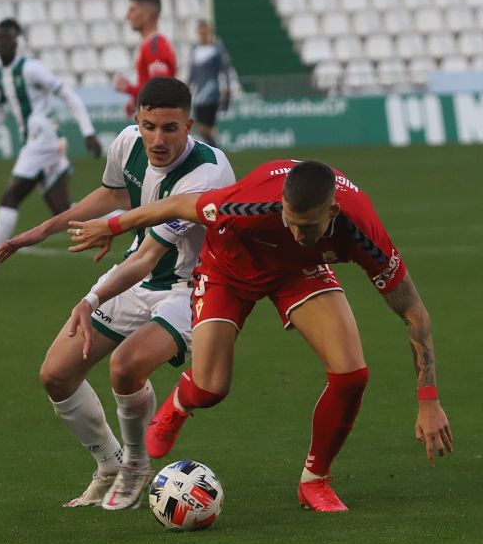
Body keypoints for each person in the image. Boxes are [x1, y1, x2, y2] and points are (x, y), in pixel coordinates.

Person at [67, 159, 453, 512]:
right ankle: (182, 401)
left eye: (308, 227)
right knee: (211, 389)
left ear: (332, 212)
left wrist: (428, 401)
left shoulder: (362, 229)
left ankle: (314, 480)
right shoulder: (247, 204)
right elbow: (177, 205)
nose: (297, 232)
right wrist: (112, 225)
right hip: (229, 266)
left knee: (352, 375)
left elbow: (413, 312)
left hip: (297, 272)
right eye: (289, 220)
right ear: (281, 204)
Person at [0, 78, 235, 510]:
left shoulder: (206, 173)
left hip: (190, 288)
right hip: (136, 275)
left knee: (126, 367)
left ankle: (137, 464)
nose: (157, 139)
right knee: (57, 374)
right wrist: (44, 228)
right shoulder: (127, 142)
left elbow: (148, 256)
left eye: (169, 128)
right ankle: (109, 463)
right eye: (148, 126)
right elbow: (114, 193)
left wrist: (91, 300)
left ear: (189, 124)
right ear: (136, 120)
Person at [0, 18, 101, 285]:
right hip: (38, 142)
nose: (3, 42)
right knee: (63, 210)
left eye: (9, 37)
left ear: (18, 41)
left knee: (11, 197)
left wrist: (88, 131)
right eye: (0, 37)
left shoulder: (31, 68)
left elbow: (67, 94)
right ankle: (129, 214)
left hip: (41, 139)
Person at [114, 0, 177, 118]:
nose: (127, 16)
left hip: (160, 125)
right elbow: (152, 85)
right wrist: (135, 99)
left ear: (147, 14)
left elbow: (159, 92)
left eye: (132, 10)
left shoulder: (156, 46)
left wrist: (128, 89)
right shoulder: (150, 44)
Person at [186, 19, 232, 147]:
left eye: (204, 29)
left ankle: (216, 152)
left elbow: (225, 70)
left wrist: (227, 90)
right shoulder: (195, 49)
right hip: (198, 94)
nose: (202, 32)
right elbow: (192, 73)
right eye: (200, 29)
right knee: (202, 129)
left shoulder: (217, 48)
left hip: (212, 92)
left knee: (204, 129)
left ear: (209, 30)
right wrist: (187, 88)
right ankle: (215, 152)